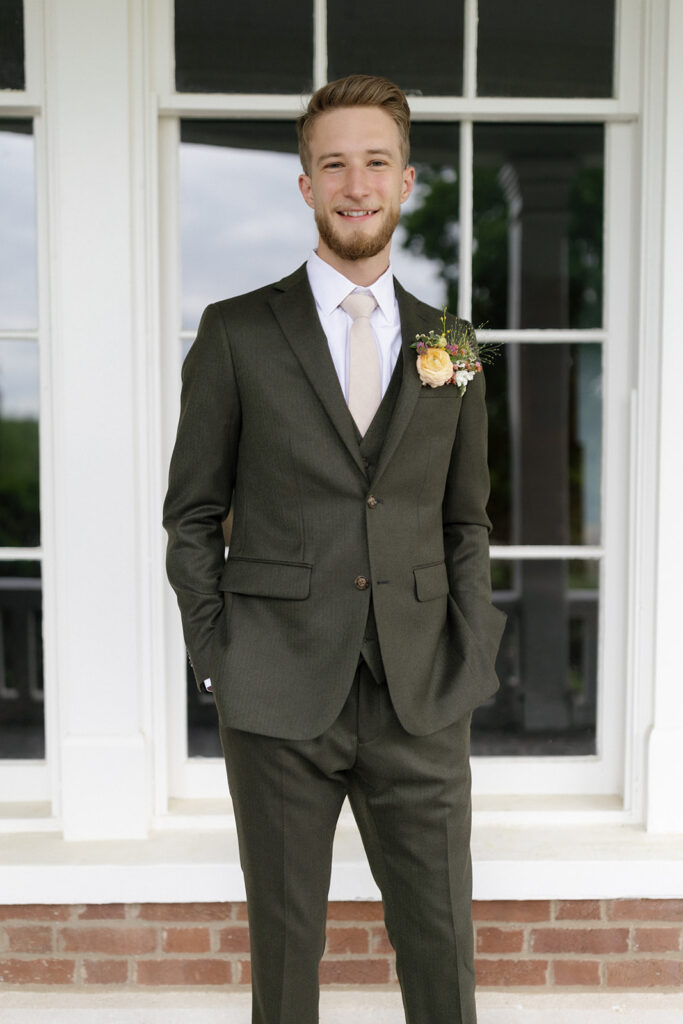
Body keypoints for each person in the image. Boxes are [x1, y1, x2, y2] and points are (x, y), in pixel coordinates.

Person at [163, 73, 506, 1024]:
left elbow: (466, 519)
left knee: (441, 950)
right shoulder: (236, 333)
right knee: (285, 954)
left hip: (422, 690)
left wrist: (470, 649)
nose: (356, 183)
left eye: (375, 162)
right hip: (275, 690)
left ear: (406, 182)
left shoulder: (454, 343)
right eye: (333, 164)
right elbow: (191, 514)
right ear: (306, 185)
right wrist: (219, 654)